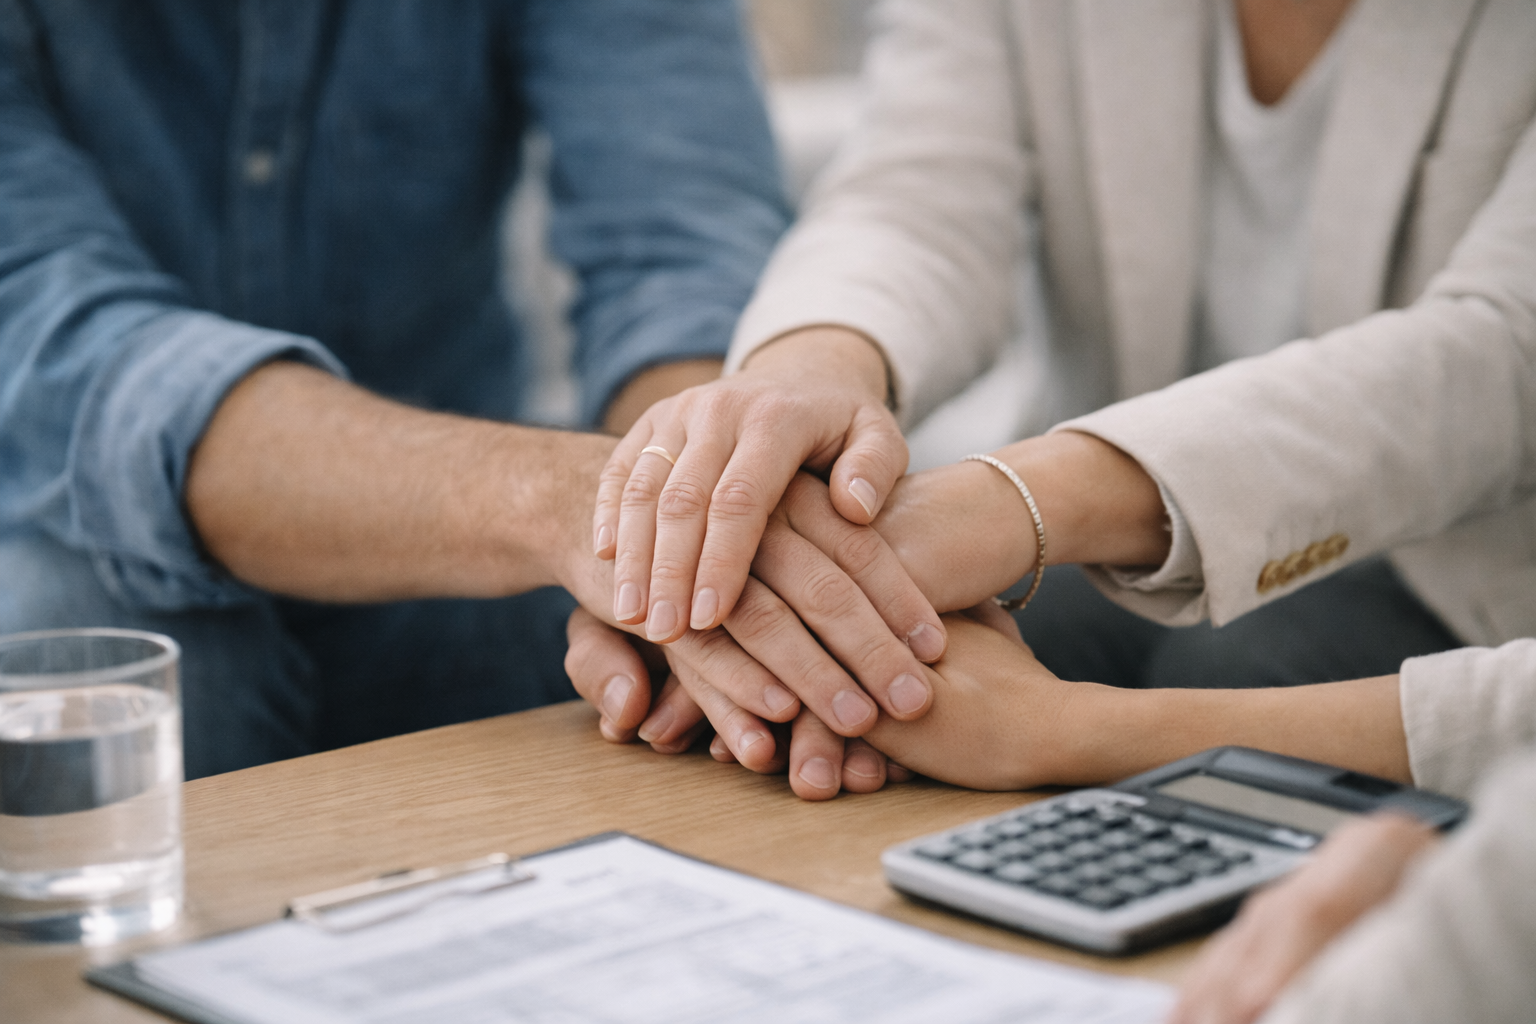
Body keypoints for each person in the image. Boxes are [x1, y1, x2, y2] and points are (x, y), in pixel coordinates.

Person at [581, 0, 1536, 758]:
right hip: (1123, 541)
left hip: (1470, 572)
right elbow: (918, 192)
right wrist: (795, 397)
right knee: (793, 694)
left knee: (1234, 677)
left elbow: (1504, 353)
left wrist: (1014, 504)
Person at [0, 0, 819, 778]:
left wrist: (707, 516)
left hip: (477, 560)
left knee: (726, 675)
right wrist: (580, 507)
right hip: (58, 527)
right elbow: (67, 357)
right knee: (92, 649)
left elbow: (680, 251)